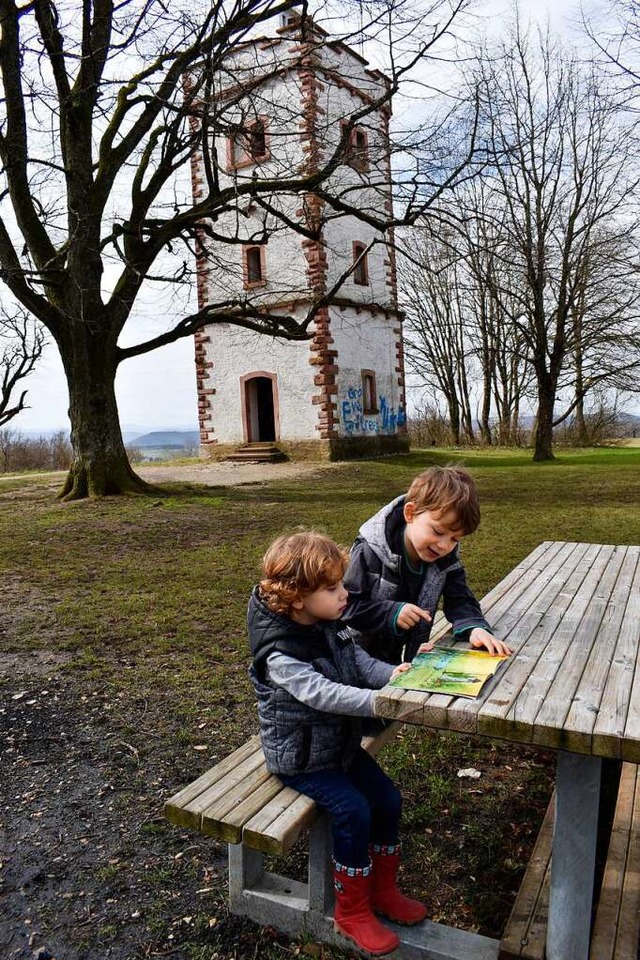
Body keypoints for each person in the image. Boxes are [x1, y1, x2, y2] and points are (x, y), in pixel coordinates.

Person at [247, 530, 427, 957]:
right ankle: (352, 910)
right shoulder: (281, 651)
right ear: (296, 597)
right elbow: (321, 692)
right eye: (332, 588)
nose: (344, 594)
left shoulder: (325, 620)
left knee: (387, 799)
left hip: (338, 746)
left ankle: (383, 891)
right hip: (302, 757)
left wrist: (391, 675)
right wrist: (379, 700)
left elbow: (356, 660)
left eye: (341, 584)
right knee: (353, 810)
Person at [343, 465, 513, 665]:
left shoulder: (445, 561)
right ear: (410, 513)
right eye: (438, 532)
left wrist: (474, 627)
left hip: (397, 664)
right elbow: (345, 608)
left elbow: (460, 599)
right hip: (355, 662)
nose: (444, 546)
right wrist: (391, 613)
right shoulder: (369, 552)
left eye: (455, 539)